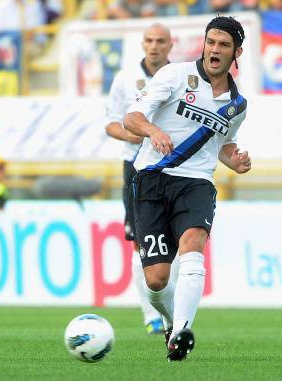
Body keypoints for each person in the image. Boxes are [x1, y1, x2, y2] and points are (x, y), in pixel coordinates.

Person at [123, 16, 251, 361]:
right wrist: (153, 131)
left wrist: (235, 160)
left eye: (224, 45)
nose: (215, 50)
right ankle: (171, 322)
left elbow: (223, 145)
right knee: (156, 281)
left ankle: (181, 332)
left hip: (196, 183)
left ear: (236, 53)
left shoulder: (237, 105)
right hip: (152, 178)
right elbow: (131, 118)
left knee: (194, 244)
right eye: (211, 42)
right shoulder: (174, 75)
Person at [105, 23, 173, 335]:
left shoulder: (180, 76)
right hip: (135, 167)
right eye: (149, 40)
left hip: (171, 166)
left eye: (160, 40)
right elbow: (111, 123)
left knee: (174, 244)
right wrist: (134, 136)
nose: (154, 45)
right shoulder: (125, 78)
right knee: (139, 243)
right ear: (143, 44)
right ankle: (151, 316)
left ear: (170, 45)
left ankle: (171, 313)